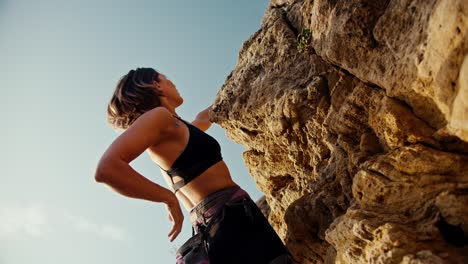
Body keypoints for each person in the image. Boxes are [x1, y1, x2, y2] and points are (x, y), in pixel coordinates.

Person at [94, 67, 292, 263]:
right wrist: (168, 199)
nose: (173, 83)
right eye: (166, 78)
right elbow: (106, 169)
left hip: (226, 221)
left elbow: (203, 118)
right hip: (229, 222)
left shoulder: (176, 126)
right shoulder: (159, 117)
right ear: (156, 85)